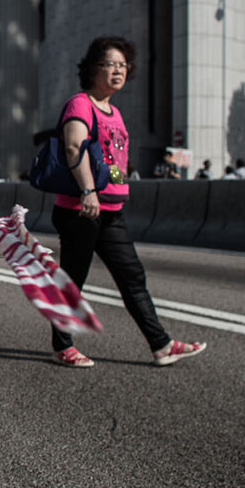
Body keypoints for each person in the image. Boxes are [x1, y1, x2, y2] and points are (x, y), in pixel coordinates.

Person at [49, 36, 206, 368]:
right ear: (94, 68)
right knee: (73, 281)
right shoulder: (81, 104)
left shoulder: (115, 112)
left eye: (123, 65)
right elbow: (74, 148)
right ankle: (62, 346)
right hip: (82, 210)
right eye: (111, 64)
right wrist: (88, 191)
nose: (119, 70)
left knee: (132, 276)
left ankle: (161, 345)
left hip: (111, 212)